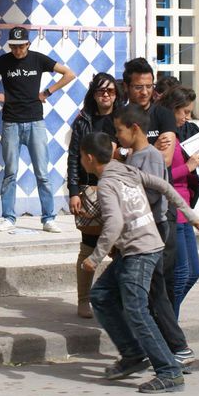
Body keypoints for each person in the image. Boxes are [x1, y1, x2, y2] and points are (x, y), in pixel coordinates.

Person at [79, 132, 199, 394]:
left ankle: (169, 371)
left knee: (136, 310)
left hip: (140, 251)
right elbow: (165, 185)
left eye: (81, 156)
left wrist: (95, 256)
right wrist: (191, 215)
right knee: (101, 296)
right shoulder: (126, 169)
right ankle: (133, 355)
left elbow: (114, 224)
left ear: (89, 158)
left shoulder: (108, 184)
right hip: (141, 247)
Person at [114, 106, 199, 367]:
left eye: (119, 130)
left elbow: (153, 193)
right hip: (145, 232)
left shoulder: (149, 157)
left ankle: (172, 348)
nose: (117, 136)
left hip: (154, 231)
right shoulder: (136, 156)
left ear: (134, 129)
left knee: (152, 293)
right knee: (152, 292)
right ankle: (164, 348)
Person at [0, 26, 75, 233]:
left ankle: (48, 218)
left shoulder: (38, 59)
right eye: (14, 46)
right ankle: (9, 217)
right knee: (10, 172)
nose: (18, 50)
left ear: (28, 44)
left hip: (36, 121)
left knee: (42, 173)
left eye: (21, 46)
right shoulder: (4, 61)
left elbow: (69, 74)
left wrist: (47, 92)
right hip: (11, 121)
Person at [66, 73, 122, 318]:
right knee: (88, 247)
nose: (106, 95)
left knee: (120, 248)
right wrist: (73, 191)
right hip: (89, 190)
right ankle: (83, 300)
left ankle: (117, 299)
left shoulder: (123, 120)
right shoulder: (83, 121)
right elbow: (72, 158)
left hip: (118, 189)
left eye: (110, 91)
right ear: (93, 94)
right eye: (101, 91)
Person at [162, 86, 199, 316]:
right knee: (180, 273)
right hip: (171, 211)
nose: (187, 117)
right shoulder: (164, 137)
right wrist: (189, 166)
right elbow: (160, 177)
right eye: (184, 111)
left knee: (192, 273)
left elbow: (185, 175)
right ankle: (167, 322)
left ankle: (165, 317)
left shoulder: (185, 132)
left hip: (185, 209)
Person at [103, 58, 178, 164]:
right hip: (127, 180)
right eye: (138, 87)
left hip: (156, 179)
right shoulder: (114, 118)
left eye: (149, 86)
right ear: (126, 86)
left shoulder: (165, 115)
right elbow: (109, 158)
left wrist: (124, 153)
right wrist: (152, 148)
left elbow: (165, 160)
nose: (144, 92)